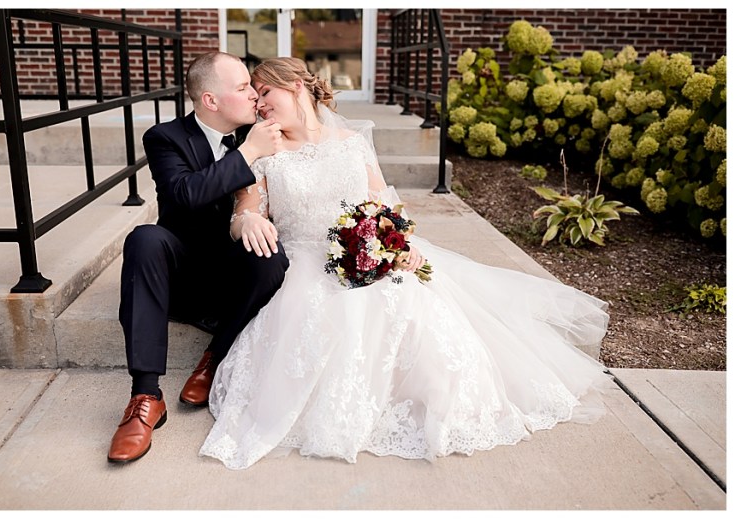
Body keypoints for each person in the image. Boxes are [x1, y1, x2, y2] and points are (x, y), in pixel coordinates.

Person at [199, 57, 613, 470]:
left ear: (294, 85)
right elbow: (242, 214)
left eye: (265, 92)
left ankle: (430, 397)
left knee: (409, 304)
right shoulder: (262, 151)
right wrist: (249, 218)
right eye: (254, 96)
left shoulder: (351, 141)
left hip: (369, 251)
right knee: (323, 316)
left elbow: (384, 204)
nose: (259, 103)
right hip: (307, 260)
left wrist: (399, 242)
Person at [107, 52, 290, 463]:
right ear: (211, 100)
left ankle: (215, 356)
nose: (253, 97)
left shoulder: (263, 134)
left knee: (273, 258)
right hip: (184, 276)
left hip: (239, 278)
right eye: (243, 88)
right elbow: (185, 194)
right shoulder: (165, 137)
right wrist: (247, 154)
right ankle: (145, 397)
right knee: (144, 238)